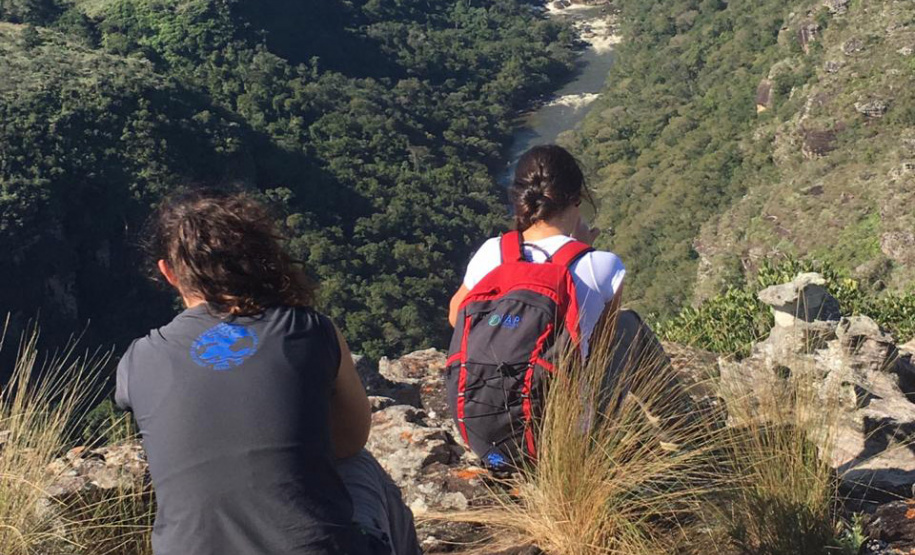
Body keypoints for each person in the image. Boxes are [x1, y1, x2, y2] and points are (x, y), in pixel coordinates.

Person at [115, 191, 420, 555]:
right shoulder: (308, 329)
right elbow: (351, 440)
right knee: (359, 466)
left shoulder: (139, 359)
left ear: (168, 273)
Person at [449, 144, 626, 357]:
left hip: (482, 386)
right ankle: (673, 392)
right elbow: (602, 341)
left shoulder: (492, 251)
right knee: (629, 323)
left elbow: (455, 316)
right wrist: (582, 251)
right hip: (561, 388)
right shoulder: (603, 264)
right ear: (576, 198)